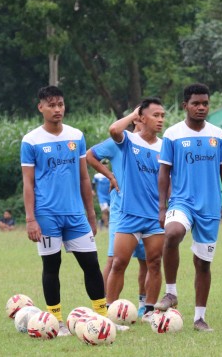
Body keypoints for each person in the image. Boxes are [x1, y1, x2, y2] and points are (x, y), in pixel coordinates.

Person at [21, 85, 116, 337]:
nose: (57, 109)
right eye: (51, 105)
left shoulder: (76, 135)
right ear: (40, 107)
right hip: (46, 216)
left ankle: (103, 318)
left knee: (92, 265)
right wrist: (31, 219)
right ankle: (56, 322)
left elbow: (85, 179)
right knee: (52, 266)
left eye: (60, 104)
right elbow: (28, 183)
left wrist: (91, 214)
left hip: (75, 216)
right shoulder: (31, 140)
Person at [156, 83, 222, 332]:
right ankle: (170, 293)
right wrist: (162, 207)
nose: (201, 107)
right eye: (196, 103)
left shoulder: (217, 134)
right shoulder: (173, 134)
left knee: (203, 264)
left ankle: (199, 318)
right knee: (172, 234)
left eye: (205, 103)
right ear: (185, 106)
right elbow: (164, 172)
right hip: (182, 202)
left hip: (210, 208)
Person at [104, 98, 166, 323]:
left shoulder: (165, 146)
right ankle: (110, 314)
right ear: (142, 117)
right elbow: (113, 129)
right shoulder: (129, 140)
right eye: (155, 115)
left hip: (154, 218)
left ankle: (149, 311)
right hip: (129, 215)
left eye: (162, 115)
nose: (160, 120)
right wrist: (133, 115)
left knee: (154, 263)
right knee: (119, 263)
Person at [87, 122, 149, 316]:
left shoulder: (154, 145)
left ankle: (144, 306)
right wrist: (110, 175)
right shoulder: (119, 142)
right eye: (145, 118)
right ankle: (103, 308)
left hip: (147, 211)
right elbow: (90, 155)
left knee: (147, 261)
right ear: (137, 121)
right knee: (114, 260)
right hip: (121, 211)